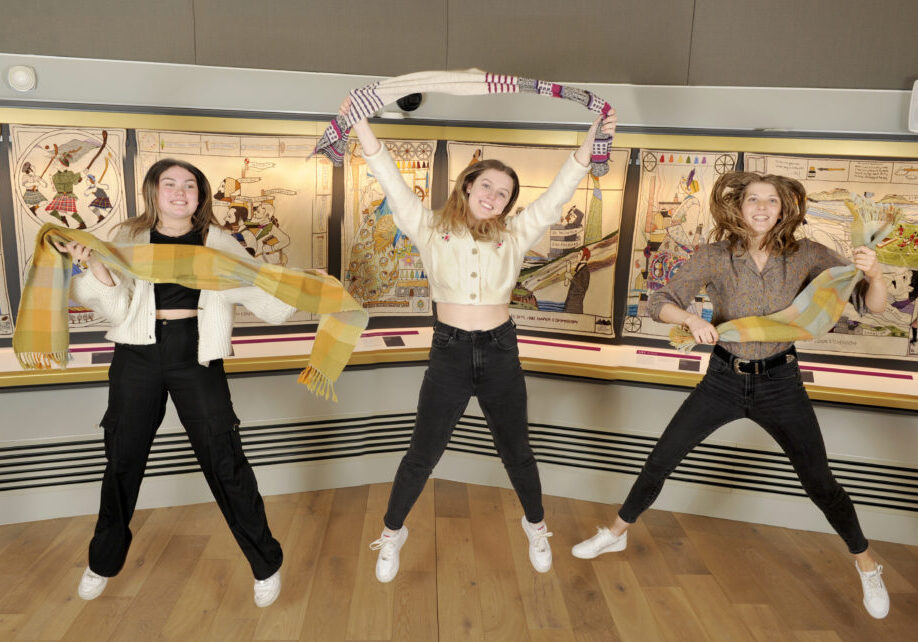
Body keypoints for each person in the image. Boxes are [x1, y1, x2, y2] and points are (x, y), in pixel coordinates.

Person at [571, 172, 892, 619]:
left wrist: (873, 272)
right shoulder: (714, 255)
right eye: (753, 200)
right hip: (723, 378)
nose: (762, 208)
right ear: (738, 207)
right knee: (662, 457)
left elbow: (872, 305)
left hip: (781, 383)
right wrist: (688, 319)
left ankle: (867, 563)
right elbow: (658, 300)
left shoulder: (809, 254)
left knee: (819, 482)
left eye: (772, 201)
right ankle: (617, 530)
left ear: (785, 209)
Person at [344, 97, 617, 582]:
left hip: (499, 350)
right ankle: (391, 534)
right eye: (486, 185)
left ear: (510, 203)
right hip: (448, 350)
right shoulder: (429, 228)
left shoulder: (514, 234)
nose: (494, 196)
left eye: (504, 192)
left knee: (517, 450)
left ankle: (535, 525)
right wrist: (357, 120)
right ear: (468, 186)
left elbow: (558, 192)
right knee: (423, 452)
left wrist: (594, 135)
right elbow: (386, 174)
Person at [59, 159, 296, 607]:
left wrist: (305, 286)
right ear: (153, 192)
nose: (180, 192)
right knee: (122, 457)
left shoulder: (220, 241)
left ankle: (265, 563)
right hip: (138, 352)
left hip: (197, 351)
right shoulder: (127, 238)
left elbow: (259, 287)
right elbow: (113, 307)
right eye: (169, 184)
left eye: (189, 185)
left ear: (201, 196)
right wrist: (99, 271)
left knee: (225, 457)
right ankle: (102, 561)